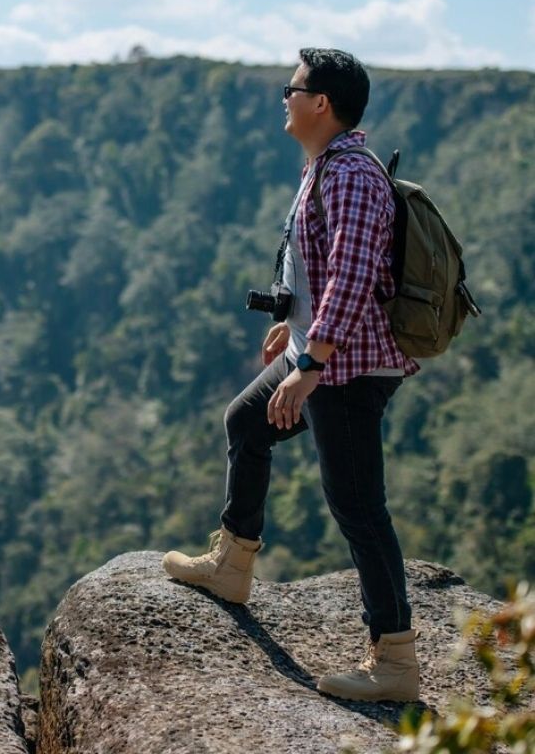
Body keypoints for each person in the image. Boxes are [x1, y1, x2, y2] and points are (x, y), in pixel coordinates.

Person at [162, 48, 420, 702]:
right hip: (322, 349)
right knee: (245, 421)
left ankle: (394, 659)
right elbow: (319, 265)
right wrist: (291, 317)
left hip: (348, 367)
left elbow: (355, 277)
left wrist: (309, 365)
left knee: (358, 506)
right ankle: (231, 564)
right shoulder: (323, 166)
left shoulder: (352, 176)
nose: (285, 96)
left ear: (321, 103)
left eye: (292, 88)